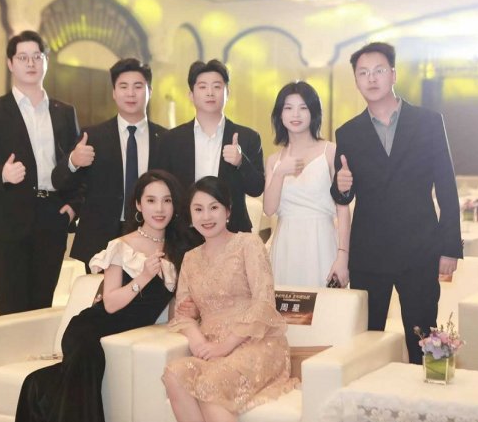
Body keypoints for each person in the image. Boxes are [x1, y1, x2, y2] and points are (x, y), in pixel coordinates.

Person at [15, 169, 190, 422]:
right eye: (151, 200)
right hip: (90, 330)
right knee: (89, 366)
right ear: (138, 205)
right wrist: (143, 276)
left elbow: (175, 307)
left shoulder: (179, 249)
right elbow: (109, 303)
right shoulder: (121, 245)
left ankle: (36, 389)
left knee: (48, 384)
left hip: (125, 336)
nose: (159, 208)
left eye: (167, 200)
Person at [329, 42, 463, 364]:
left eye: (378, 70)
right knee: (367, 345)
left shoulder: (429, 122)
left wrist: (449, 247)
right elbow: (343, 194)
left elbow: (446, 187)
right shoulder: (347, 132)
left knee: (423, 339)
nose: (371, 78)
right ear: (356, 81)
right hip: (369, 254)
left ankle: (426, 395)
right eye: (363, 73)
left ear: (393, 74)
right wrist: (341, 187)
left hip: (419, 249)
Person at [163, 176, 296, 422]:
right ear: (190, 215)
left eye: (213, 207)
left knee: (211, 385)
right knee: (174, 374)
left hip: (256, 343)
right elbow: (182, 314)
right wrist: (198, 342)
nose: (206, 216)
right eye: (198, 209)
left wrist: (225, 346)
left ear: (228, 211)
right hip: (211, 345)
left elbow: (264, 302)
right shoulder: (190, 259)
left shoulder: (248, 243)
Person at [0, 30, 80, 315]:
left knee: (42, 306)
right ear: (10, 63)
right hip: (9, 219)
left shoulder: (64, 112)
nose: (31, 63)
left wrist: (73, 207)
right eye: (23, 57)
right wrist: (2, 174)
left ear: (46, 62)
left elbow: (76, 166)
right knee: (10, 305)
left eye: (37, 57)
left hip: (53, 218)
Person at [52, 58, 167, 272]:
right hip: (101, 239)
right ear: (114, 92)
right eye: (123, 86)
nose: (130, 93)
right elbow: (58, 180)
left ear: (149, 91)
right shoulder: (92, 136)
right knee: (100, 294)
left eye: (138, 86)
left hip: (152, 237)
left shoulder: (165, 138)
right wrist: (73, 161)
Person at [159, 59, 264, 234]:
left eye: (217, 86)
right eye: (202, 87)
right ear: (191, 95)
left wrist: (241, 162)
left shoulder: (248, 137)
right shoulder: (171, 139)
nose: (210, 93)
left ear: (227, 93)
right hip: (185, 233)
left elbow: (257, 189)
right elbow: (162, 189)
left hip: (232, 232)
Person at [264, 81, 350, 288]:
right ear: (280, 114)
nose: (296, 114)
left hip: (322, 240)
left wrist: (343, 256)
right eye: (288, 108)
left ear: (313, 112)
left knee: (325, 304)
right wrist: (280, 173)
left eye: (303, 108)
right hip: (286, 243)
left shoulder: (330, 151)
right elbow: (269, 209)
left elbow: (343, 209)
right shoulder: (274, 160)